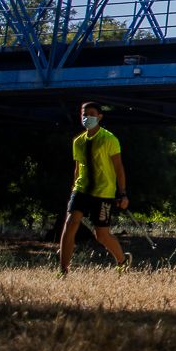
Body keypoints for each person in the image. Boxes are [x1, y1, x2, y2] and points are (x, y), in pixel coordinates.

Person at [58, 101, 131, 276]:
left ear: (99, 116)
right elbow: (78, 168)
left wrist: (122, 194)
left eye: (91, 114)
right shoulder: (78, 142)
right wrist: (73, 190)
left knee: (102, 235)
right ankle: (63, 270)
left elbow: (118, 168)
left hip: (103, 193)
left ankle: (122, 261)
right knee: (70, 224)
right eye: (84, 114)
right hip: (81, 189)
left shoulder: (109, 139)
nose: (87, 117)